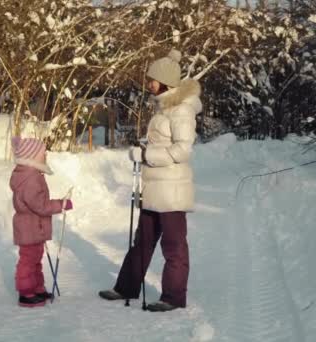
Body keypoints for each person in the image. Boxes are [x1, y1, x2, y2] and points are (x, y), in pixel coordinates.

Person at [99, 49, 202, 312]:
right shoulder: (163, 109)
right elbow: (164, 143)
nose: (148, 84)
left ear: (165, 81)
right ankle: (126, 287)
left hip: (172, 191)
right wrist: (145, 146)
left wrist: (146, 153)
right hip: (153, 188)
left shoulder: (181, 111)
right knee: (142, 241)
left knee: (174, 246)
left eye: (152, 80)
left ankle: (173, 297)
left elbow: (182, 151)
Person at [9, 136, 73, 307]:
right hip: (30, 227)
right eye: (42, 153)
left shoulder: (32, 174)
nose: (45, 155)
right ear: (32, 157)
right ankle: (26, 292)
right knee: (28, 260)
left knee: (35, 259)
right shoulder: (30, 179)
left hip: (34, 226)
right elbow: (40, 206)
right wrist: (62, 204)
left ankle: (37, 288)